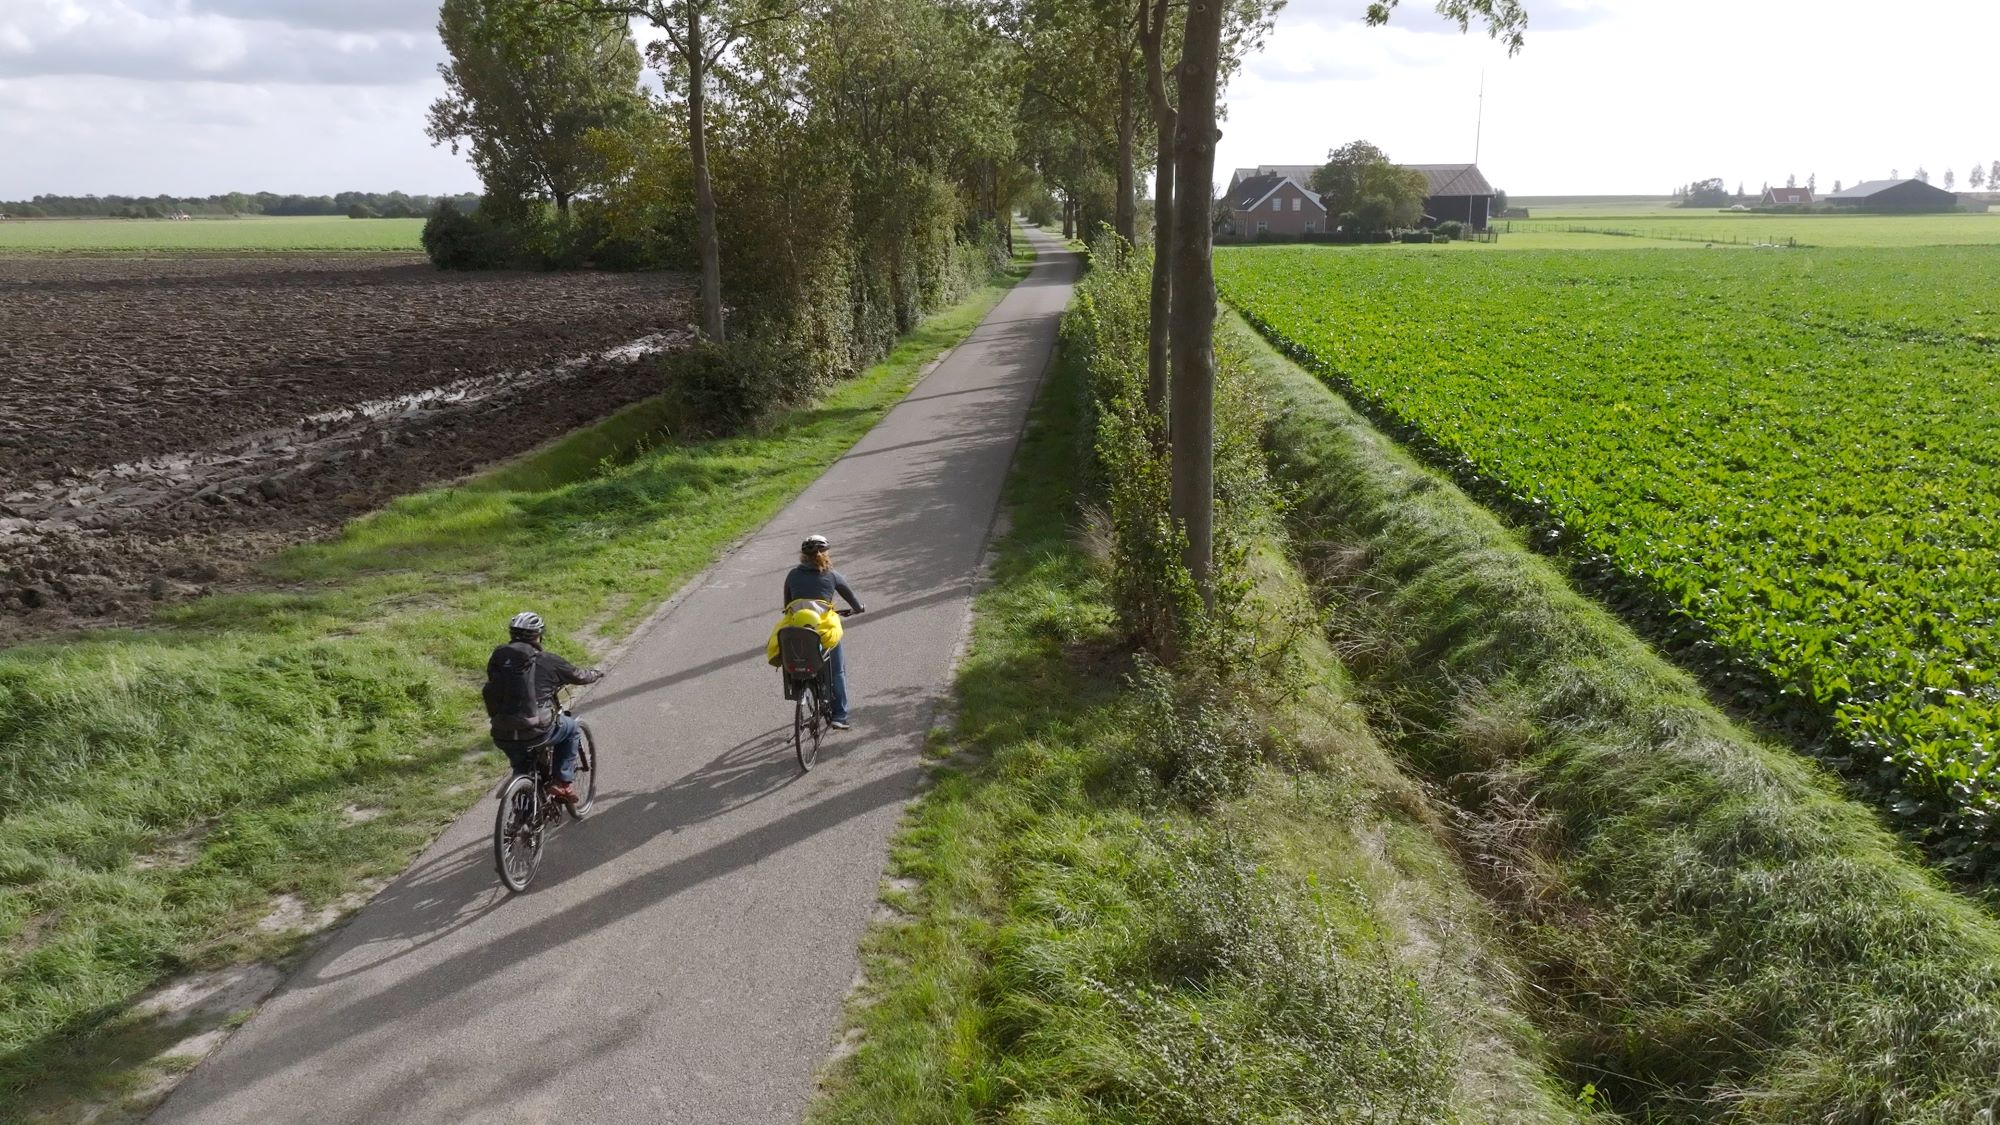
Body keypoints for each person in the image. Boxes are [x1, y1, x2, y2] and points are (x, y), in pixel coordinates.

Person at [483, 612, 602, 806]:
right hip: (537, 730)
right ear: (539, 635)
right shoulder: (548, 660)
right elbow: (579, 676)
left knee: (521, 766)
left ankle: (520, 817)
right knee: (571, 728)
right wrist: (596, 674)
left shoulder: (500, 658)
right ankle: (562, 782)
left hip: (501, 732)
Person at [773, 534, 864, 728]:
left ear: (802, 556)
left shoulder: (792, 575)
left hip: (797, 632)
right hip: (823, 633)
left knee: (801, 660)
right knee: (837, 671)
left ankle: (804, 691)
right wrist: (858, 608)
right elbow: (853, 602)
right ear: (826, 554)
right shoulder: (832, 575)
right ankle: (839, 716)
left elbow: (787, 605)